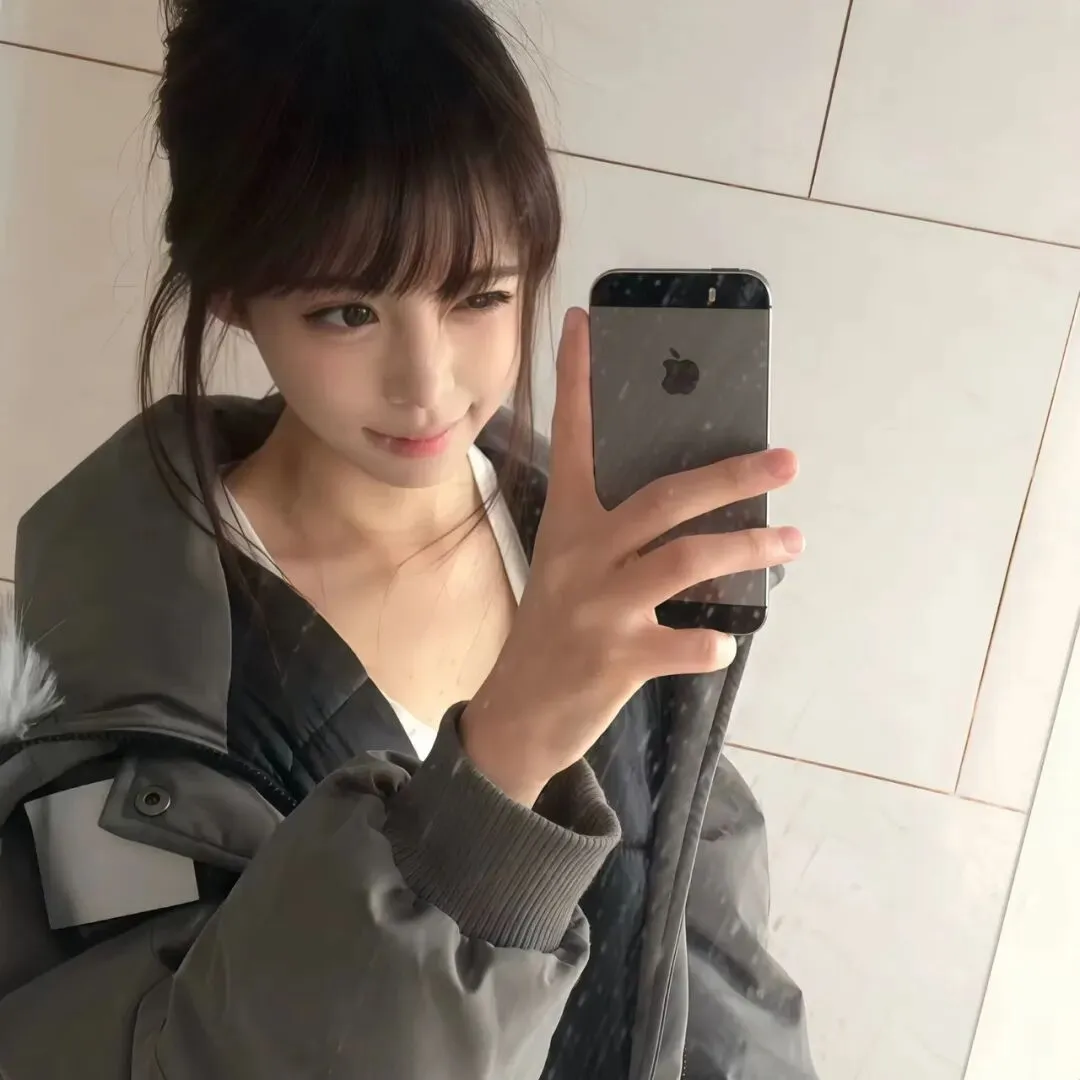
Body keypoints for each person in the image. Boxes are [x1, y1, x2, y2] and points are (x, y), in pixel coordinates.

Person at [0, 1, 818, 1077]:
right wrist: (504, 762)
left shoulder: (592, 552)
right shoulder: (117, 682)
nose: (427, 385)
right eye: (348, 313)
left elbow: (700, 971)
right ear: (233, 291)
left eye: (479, 296)